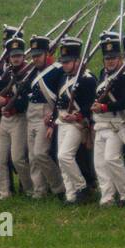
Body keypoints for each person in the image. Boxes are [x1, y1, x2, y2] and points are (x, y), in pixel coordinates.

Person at [90, 35, 125, 206]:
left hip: (116, 124)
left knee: (111, 159)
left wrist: (104, 107)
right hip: (100, 124)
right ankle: (107, 196)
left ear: (120, 59)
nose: (110, 61)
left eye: (113, 58)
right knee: (100, 164)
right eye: (107, 58)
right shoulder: (103, 74)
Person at [23, 35, 65, 199]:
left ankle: (59, 187)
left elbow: (60, 97)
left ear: (48, 53)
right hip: (31, 113)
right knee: (33, 157)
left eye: (38, 55)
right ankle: (39, 189)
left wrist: (52, 121)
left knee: (40, 153)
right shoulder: (33, 72)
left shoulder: (58, 70)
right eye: (33, 56)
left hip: (45, 113)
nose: (35, 59)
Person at [0, 37, 33, 199]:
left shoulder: (28, 74)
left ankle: (29, 189)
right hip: (5, 120)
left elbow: (26, 101)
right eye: (13, 56)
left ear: (23, 56)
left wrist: (9, 104)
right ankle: (4, 192)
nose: (16, 58)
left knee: (18, 159)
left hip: (20, 119)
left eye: (19, 55)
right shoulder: (6, 74)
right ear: (8, 57)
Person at [53, 38, 94, 204]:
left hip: (77, 123)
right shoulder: (64, 77)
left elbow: (90, 105)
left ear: (77, 61)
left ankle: (81, 187)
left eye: (67, 62)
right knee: (61, 160)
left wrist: (77, 116)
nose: (64, 65)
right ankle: (71, 195)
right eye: (63, 62)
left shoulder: (87, 79)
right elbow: (59, 100)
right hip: (62, 120)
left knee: (64, 156)